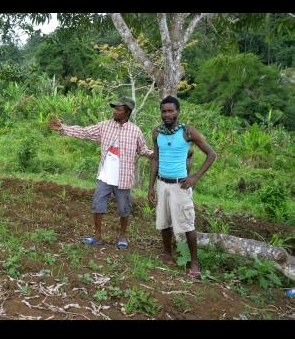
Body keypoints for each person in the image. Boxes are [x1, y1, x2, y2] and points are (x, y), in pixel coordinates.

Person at [48, 97, 153, 248]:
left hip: (123, 178)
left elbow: (143, 150)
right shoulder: (105, 126)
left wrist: (154, 154)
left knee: (124, 209)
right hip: (105, 176)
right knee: (97, 205)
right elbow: (85, 132)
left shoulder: (135, 131)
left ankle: (122, 236)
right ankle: (97, 236)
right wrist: (63, 128)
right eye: (114, 108)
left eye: (118, 109)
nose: (115, 111)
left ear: (127, 112)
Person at [148, 95, 216, 278]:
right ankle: (167, 255)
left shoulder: (187, 132)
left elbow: (211, 154)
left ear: (177, 112)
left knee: (187, 224)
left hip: (181, 186)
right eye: (164, 111)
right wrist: (151, 186)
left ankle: (194, 264)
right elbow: (156, 159)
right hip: (162, 183)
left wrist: (195, 177)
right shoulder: (156, 133)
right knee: (164, 222)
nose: (167, 114)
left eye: (171, 110)